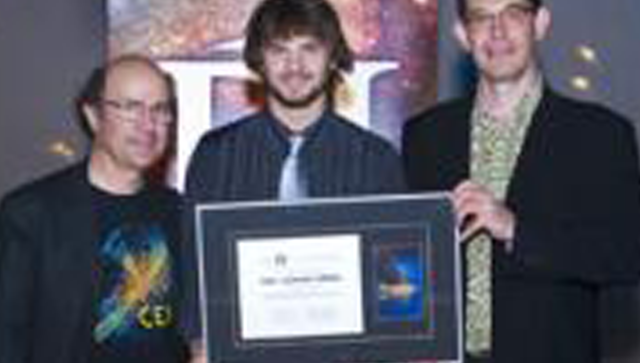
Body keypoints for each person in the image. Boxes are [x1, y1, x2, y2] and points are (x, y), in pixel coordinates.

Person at [402, 0, 640, 362]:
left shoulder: (600, 135)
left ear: (540, 23)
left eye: (514, 12)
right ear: (463, 35)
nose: (497, 30)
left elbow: (624, 255)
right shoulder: (425, 136)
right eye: (482, 17)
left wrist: (515, 229)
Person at [183, 0, 405, 360]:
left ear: (333, 57)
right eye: (279, 50)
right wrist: (199, 348)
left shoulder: (376, 160)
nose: (294, 66)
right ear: (258, 59)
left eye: (309, 49)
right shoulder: (215, 156)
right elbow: (196, 273)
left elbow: (392, 280)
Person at [0, 55, 187, 363]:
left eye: (160, 109)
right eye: (131, 107)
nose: (148, 124)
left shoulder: (177, 212)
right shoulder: (29, 215)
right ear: (93, 116)